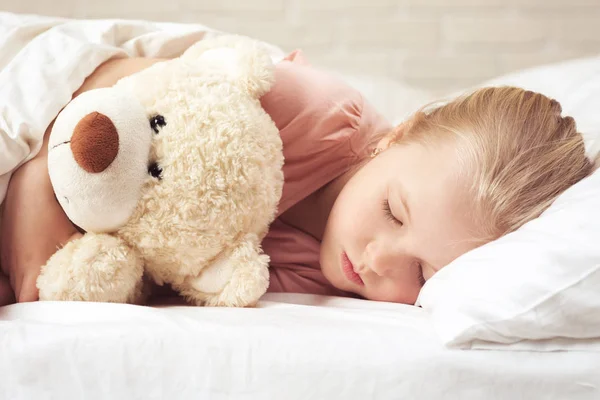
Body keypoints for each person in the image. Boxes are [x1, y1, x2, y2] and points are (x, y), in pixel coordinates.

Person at [0, 49, 595, 307]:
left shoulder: (326, 280)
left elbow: (167, 270)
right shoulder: (317, 113)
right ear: (396, 137)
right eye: (393, 212)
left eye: (423, 273)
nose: (380, 259)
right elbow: (115, 99)